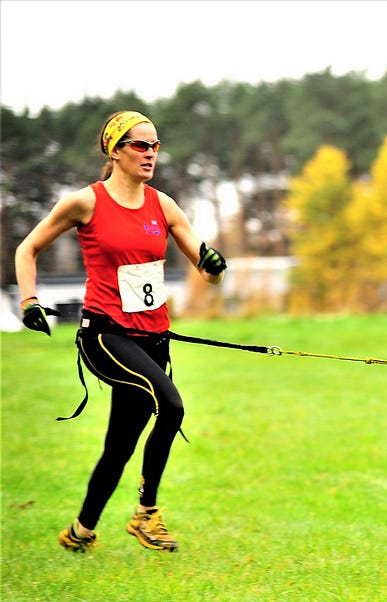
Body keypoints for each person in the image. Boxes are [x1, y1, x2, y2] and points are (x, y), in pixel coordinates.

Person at [14, 110, 228, 553]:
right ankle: (147, 513)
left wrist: (213, 268)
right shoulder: (84, 203)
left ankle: (80, 532)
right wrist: (30, 301)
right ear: (115, 150)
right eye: (140, 145)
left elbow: (206, 272)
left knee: (120, 446)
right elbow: (27, 248)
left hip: (154, 337)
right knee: (170, 404)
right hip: (105, 335)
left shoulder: (163, 205)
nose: (150, 154)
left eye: (155, 146)